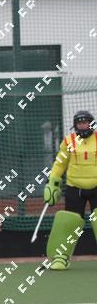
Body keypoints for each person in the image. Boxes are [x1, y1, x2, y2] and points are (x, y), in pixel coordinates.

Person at [43, 110, 97, 270]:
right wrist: (53, 182)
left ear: (91, 124)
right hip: (74, 188)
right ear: (75, 125)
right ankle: (61, 256)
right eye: (79, 123)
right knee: (68, 222)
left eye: (85, 122)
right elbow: (60, 163)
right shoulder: (69, 141)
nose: (82, 125)